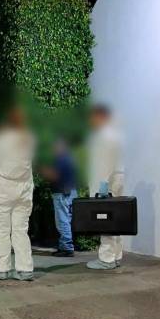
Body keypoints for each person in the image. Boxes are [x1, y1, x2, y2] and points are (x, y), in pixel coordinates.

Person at [0, 106, 36, 281]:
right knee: (21, 230)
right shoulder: (30, 138)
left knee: (1, 229)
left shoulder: (2, 138)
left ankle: (2, 269)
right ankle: (25, 269)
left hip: (4, 187)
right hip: (25, 188)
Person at [86, 104, 125, 270]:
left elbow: (104, 164)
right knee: (116, 219)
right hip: (116, 180)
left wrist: (102, 186)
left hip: (107, 183)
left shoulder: (104, 136)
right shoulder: (115, 135)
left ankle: (106, 259)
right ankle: (116, 256)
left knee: (105, 219)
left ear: (100, 116)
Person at [44, 139, 77, 257]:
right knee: (66, 220)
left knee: (62, 221)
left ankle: (67, 248)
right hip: (70, 192)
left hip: (62, 193)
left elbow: (54, 175)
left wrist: (44, 170)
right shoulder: (70, 157)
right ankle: (65, 246)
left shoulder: (61, 159)